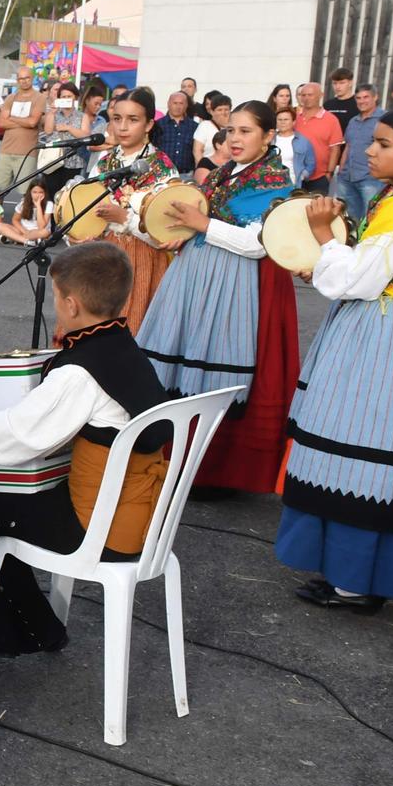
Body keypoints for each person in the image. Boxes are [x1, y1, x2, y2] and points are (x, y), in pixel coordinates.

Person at [275, 104, 393, 613]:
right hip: (389, 327)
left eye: (383, 143)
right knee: (365, 450)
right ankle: (353, 574)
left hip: (386, 335)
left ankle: (358, 581)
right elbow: (366, 267)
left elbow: (351, 280)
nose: (369, 149)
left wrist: (322, 241)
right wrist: (329, 259)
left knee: (365, 450)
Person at [0, 241, 172, 653]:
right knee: (1, 494)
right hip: (145, 517)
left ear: (70, 304)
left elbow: (8, 439)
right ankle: (33, 624)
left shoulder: (79, 371)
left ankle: (24, 629)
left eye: (54, 298)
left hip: (101, 529)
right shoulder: (124, 348)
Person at [135, 100, 299, 495]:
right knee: (176, 362)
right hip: (195, 275)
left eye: (246, 131)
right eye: (231, 131)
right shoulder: (224, 173)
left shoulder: (276, 183)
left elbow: (259, 244)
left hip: (232, 282)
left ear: (268, 137)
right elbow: (195, 222)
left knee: (213, 368)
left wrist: (203, 224)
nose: (235, 138)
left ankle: (211, 471)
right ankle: (167, 458)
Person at [86, 88, 183, 333]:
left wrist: (125, 219)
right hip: (103, 252)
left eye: (133, 119)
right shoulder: (106, 161)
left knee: (131, 328)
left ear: (149, 124)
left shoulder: (161, 166)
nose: (123, 127)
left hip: (142, 258)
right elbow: (87, 207)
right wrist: (81, 234)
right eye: (117, 119)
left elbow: (166, 229)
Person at [330, 84, 384, 216]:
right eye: (358, 98)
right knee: (349, 219)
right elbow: (348, 146)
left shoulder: (384, 120)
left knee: (371, 217)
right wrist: (342, 172)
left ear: (375, 97)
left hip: (370, 179)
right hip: (347, 178)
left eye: (366, 97)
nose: (361, 101)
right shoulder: (353, 121)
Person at [0, 63, 47, 191]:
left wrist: (12, 117)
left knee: (25, 192)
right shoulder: (10, 98)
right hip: (5, 150)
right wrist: (24, 120)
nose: (24, 81)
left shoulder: (39, 98)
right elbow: (2, 123)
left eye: (27, 78)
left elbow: (33, 122)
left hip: (27, 152)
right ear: (17, 80)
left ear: (32, 78)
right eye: (21, 79)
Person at [292, 82, 343, 195]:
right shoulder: (294, 118)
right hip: (296, 177)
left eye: (310, 95)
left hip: (320, 177)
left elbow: (335, 149)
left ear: (321, 95)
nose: (306, 98)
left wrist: (329, 173)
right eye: (303, 95)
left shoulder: (331, 120)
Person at [0, 178, 52, 245]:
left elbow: (41, 226)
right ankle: (26, 241)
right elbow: (15, 220)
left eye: (41, 192)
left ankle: (13, 238)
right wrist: (25, 231)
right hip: (23, 231)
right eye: (34, 192)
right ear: (30, 192)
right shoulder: (23, 203)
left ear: (45, 193)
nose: (37, 195)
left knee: (45, 232)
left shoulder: (49, 204)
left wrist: (38, 206)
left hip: (37, 232)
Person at [154, 89, 198, 176]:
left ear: (186, 105)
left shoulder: (194, 126)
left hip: (186, 175)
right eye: (175, 103)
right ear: (168, 104)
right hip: (162, 174)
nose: (178, 106)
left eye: (181, 103)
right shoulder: (158, 125)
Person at [191, 92, 232, 177]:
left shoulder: (233, 127)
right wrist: (202, 169)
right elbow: (197, 151)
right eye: (219, 110)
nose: (223, 113)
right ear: (212, 112)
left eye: (226, 109)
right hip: (208, 170)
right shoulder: (205, 126)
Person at [273, 107, 317, 186]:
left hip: (292, 185)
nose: (282, 122)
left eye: (286, 119)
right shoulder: (269, 140)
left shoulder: (303, 141)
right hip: (271, 184)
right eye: (279, 120)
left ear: (293, 122)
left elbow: (311, 163)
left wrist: (301, 177)